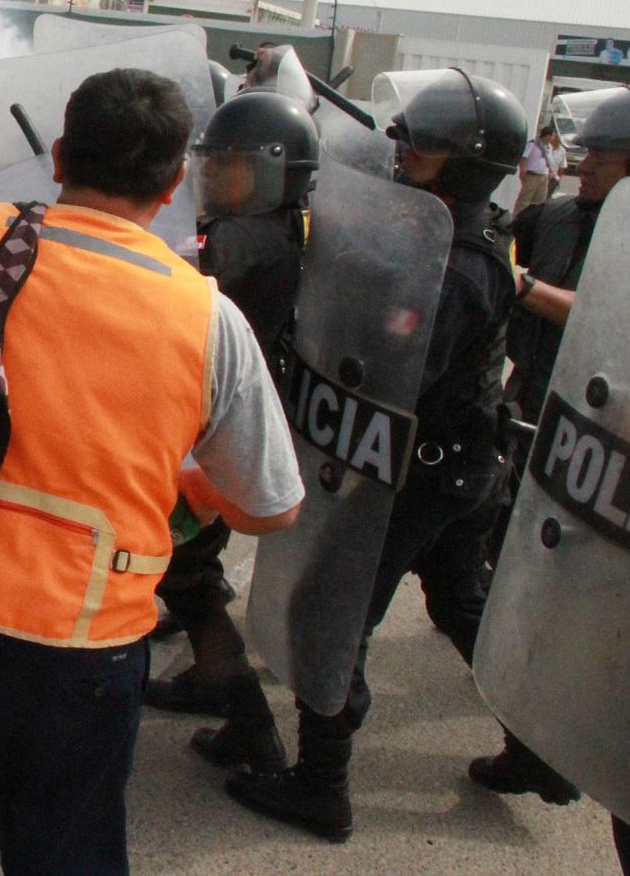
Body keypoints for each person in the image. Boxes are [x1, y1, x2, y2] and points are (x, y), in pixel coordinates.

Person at [0, 69, 305, 875]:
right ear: (174, 183)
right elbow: (270, 505)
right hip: (89, 646)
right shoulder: (208, 316)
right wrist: (192, 490)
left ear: (58, 157)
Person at [227, 69, 527, 842]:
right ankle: (541, 748)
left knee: (333, 610)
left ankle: (320, 785)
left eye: (428, 141)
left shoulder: (457, 266)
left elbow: (392, 375)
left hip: (417, 473)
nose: (405, 145)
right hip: (461, 467)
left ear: (469, 160)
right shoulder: (443, 231)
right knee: (460, 602)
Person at [467, 85, 630, 805]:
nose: (586, 162)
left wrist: (521, 285)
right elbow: (496, 238)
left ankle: (555, 733)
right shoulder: (561, 215)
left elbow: (610, 315)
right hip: (535, 402)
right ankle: (531, 727)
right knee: (504, 551)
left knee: (571, 584)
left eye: (605, 153)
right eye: (588, 149)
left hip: (615, 434)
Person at [148, 89, 316, 779]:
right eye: (211, 160)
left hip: (212, 425)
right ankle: (208, 682)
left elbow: (173, 270)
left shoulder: (248, 236)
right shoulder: (283, 225)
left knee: (187, 572)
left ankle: (251, 726)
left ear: (275, 169)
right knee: (190, 567)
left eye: (232, 163)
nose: (213, 173)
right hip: (223, 413)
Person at [513, 124, 561, 213]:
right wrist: (522, 171)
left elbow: (548, 161)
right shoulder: (532, 144)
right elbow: (523, 158)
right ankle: (518, 216)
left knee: (540, 200)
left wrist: (550, 172)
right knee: (524, 199)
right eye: (553, 135)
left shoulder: (549, 147)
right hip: (532, 175)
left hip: (544, 176)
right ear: (548, 135)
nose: (553, 138)